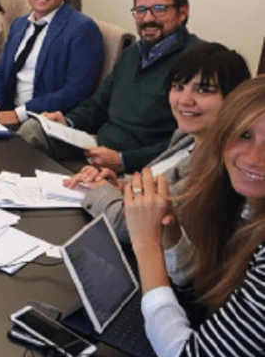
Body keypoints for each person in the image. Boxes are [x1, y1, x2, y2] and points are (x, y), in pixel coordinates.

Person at [124, 75, 265, 357]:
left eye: (203, 90)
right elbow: (209, 299)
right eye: (245, 135)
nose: (254, 158)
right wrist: (170, 235)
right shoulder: (243, 204)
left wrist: (146, 243)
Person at [64, 43, 250, 243]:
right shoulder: (185, 137)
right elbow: (154, 185)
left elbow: (132, 226)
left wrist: (101, 191)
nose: (184, 101)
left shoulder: (220, 164)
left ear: (234, 98)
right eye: (178, 87)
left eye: (203, 90)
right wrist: (118, 184)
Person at [19, 0, 198, 173]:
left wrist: (124, 160)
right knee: (32, 130)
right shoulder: (133, 53)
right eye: (140, 10)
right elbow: (99, 104)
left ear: (182, 13)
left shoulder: (197, 62)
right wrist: (68, 121)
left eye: (158, 9)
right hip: (96, 145)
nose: (147, 18)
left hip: (140, 165)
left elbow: (187, 143)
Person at [0, 0, 102, 126]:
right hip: (5, 112)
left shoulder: (82, 29)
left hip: (42, 121)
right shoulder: (19, 24)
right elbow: (0, 72)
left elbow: (76, 91)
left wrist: (19, 114)